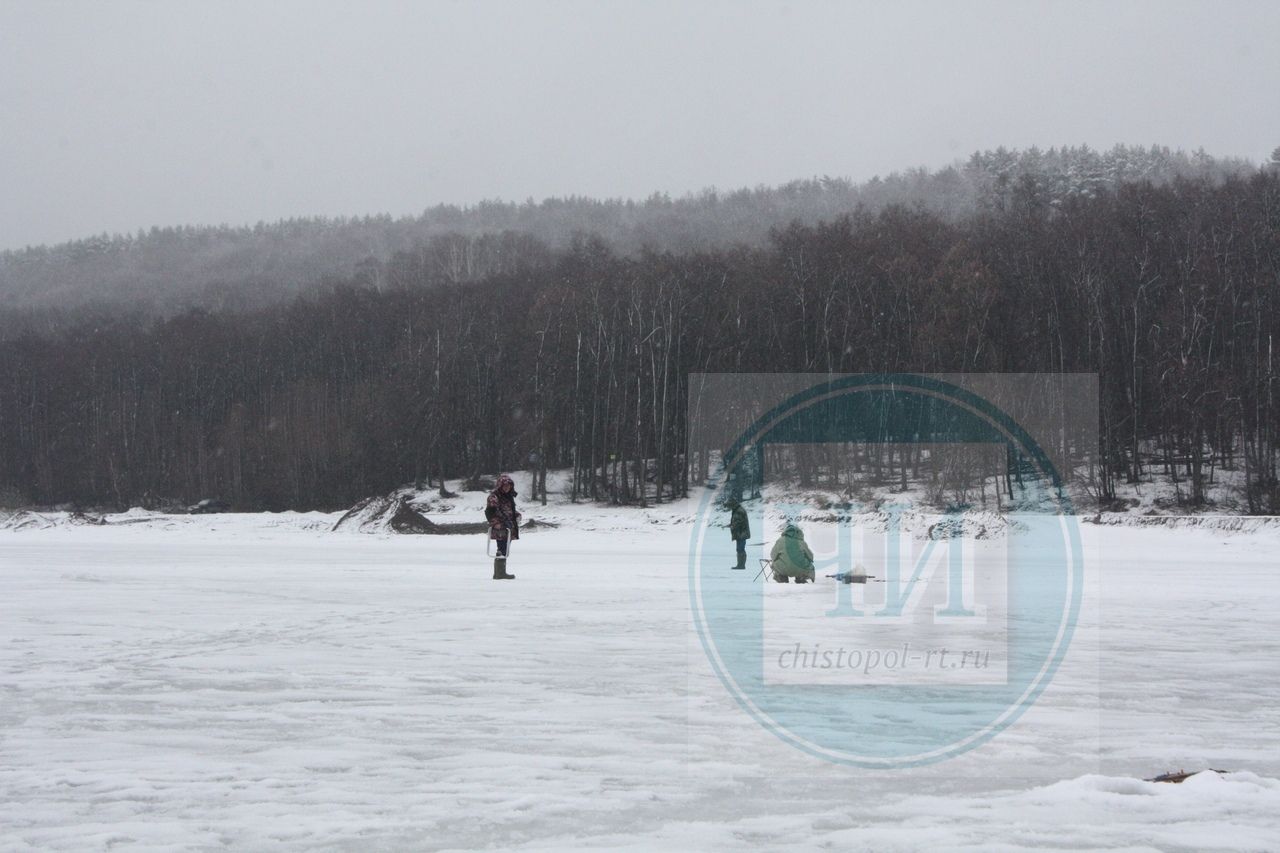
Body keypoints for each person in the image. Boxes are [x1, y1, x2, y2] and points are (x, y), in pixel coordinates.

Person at [485, 474, 520, 580]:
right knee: (501, 548)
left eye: (509, 485)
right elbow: (490, 511)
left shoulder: (508, 497)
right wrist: (496, 523)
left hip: (509, 527)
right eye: (505, 485)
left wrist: (516, 515)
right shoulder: (494, 496)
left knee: (505, 549)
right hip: (500, 527)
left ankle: (500, 572)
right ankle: (499, 573)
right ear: (500, 485)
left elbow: (507, 510)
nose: (507, 487)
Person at [728, 497, 750, 570]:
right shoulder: (738, 509)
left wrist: (732, 526)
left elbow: (738, 523)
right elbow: (737, 522)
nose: (729, 507)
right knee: (740, 549)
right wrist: (731, 525)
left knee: (740, 549)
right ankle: (740, 565)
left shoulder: (739, 511)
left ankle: (741, 565)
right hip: (740, 533)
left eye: (730, 506)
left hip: (741, 533)